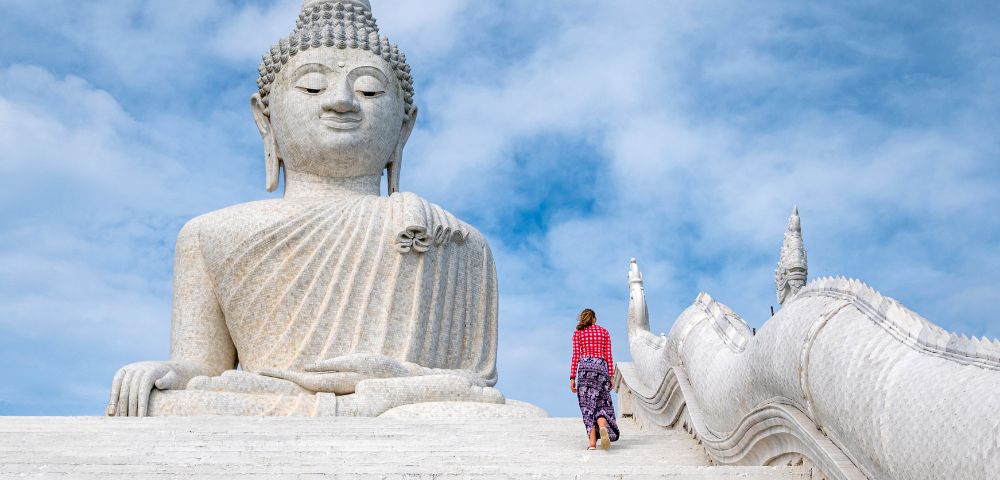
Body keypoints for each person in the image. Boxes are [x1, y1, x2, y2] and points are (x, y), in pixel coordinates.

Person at [570, 308, 620, 450]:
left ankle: (592, 443)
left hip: (585, 369)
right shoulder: (604, 332)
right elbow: (608, 356)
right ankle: (602, 427)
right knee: (601, 404)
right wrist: (611, 375)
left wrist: (572, 377)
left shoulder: (578, 333)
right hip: (601, 369)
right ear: (594, 319)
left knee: (587, 406)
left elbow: (575, 356)